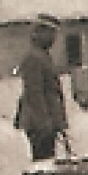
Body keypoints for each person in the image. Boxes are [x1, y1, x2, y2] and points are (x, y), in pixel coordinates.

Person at [15, 13, 68, 161]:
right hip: (40, 123)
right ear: (39, 33)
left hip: (46, 122)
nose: (53, 39)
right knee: (43, 163)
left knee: (47, 161)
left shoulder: (42, 56)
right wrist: (44, 124)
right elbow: (34, 94)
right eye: (50, 34)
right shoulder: (34, 58)